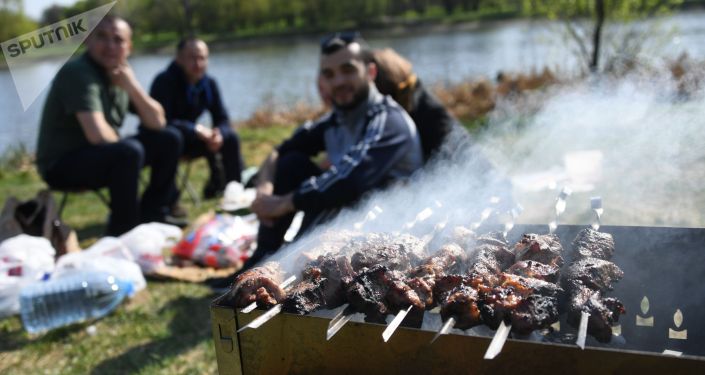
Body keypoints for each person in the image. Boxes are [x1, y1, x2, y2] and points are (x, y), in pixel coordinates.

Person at [245, 32, 424, 269]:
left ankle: (289, 263)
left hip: (392, 231)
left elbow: (350, 179)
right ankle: (264, 258)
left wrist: (285, 202)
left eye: (348, 70)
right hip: (347, 220)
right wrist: (263, 190)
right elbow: (279, 151)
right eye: (329, 74)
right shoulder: (335, 121)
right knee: (292, 162)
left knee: (332, 190)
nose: (338, 81)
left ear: (370, 72)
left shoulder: (388, 120)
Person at [35, 16, 184, 236]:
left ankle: (153, 214)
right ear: (87, 40)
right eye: (102, 37)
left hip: (99, 155)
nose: (111, 46)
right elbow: (97, 135)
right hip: (61, 164)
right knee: (129, 152)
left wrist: (131, 86)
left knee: (169, 138)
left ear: (129, 47)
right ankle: (124, 231)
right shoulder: (78, 72)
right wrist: (131, 148)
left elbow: (158, 122)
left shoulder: (120, 74)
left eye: (118, 39)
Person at [150, 37, 244, 198]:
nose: (198, 64)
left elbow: (222, 117)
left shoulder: (208, 83)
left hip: (193, 139)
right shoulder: (164, 82)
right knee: (172, 138)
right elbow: (161, 122)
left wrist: (218, 134)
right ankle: (167, 201)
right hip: (168, 141)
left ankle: (234, 191)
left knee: (231, 137)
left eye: (202, 58)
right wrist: (196, 129)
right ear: (179, 58)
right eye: (192, 58)